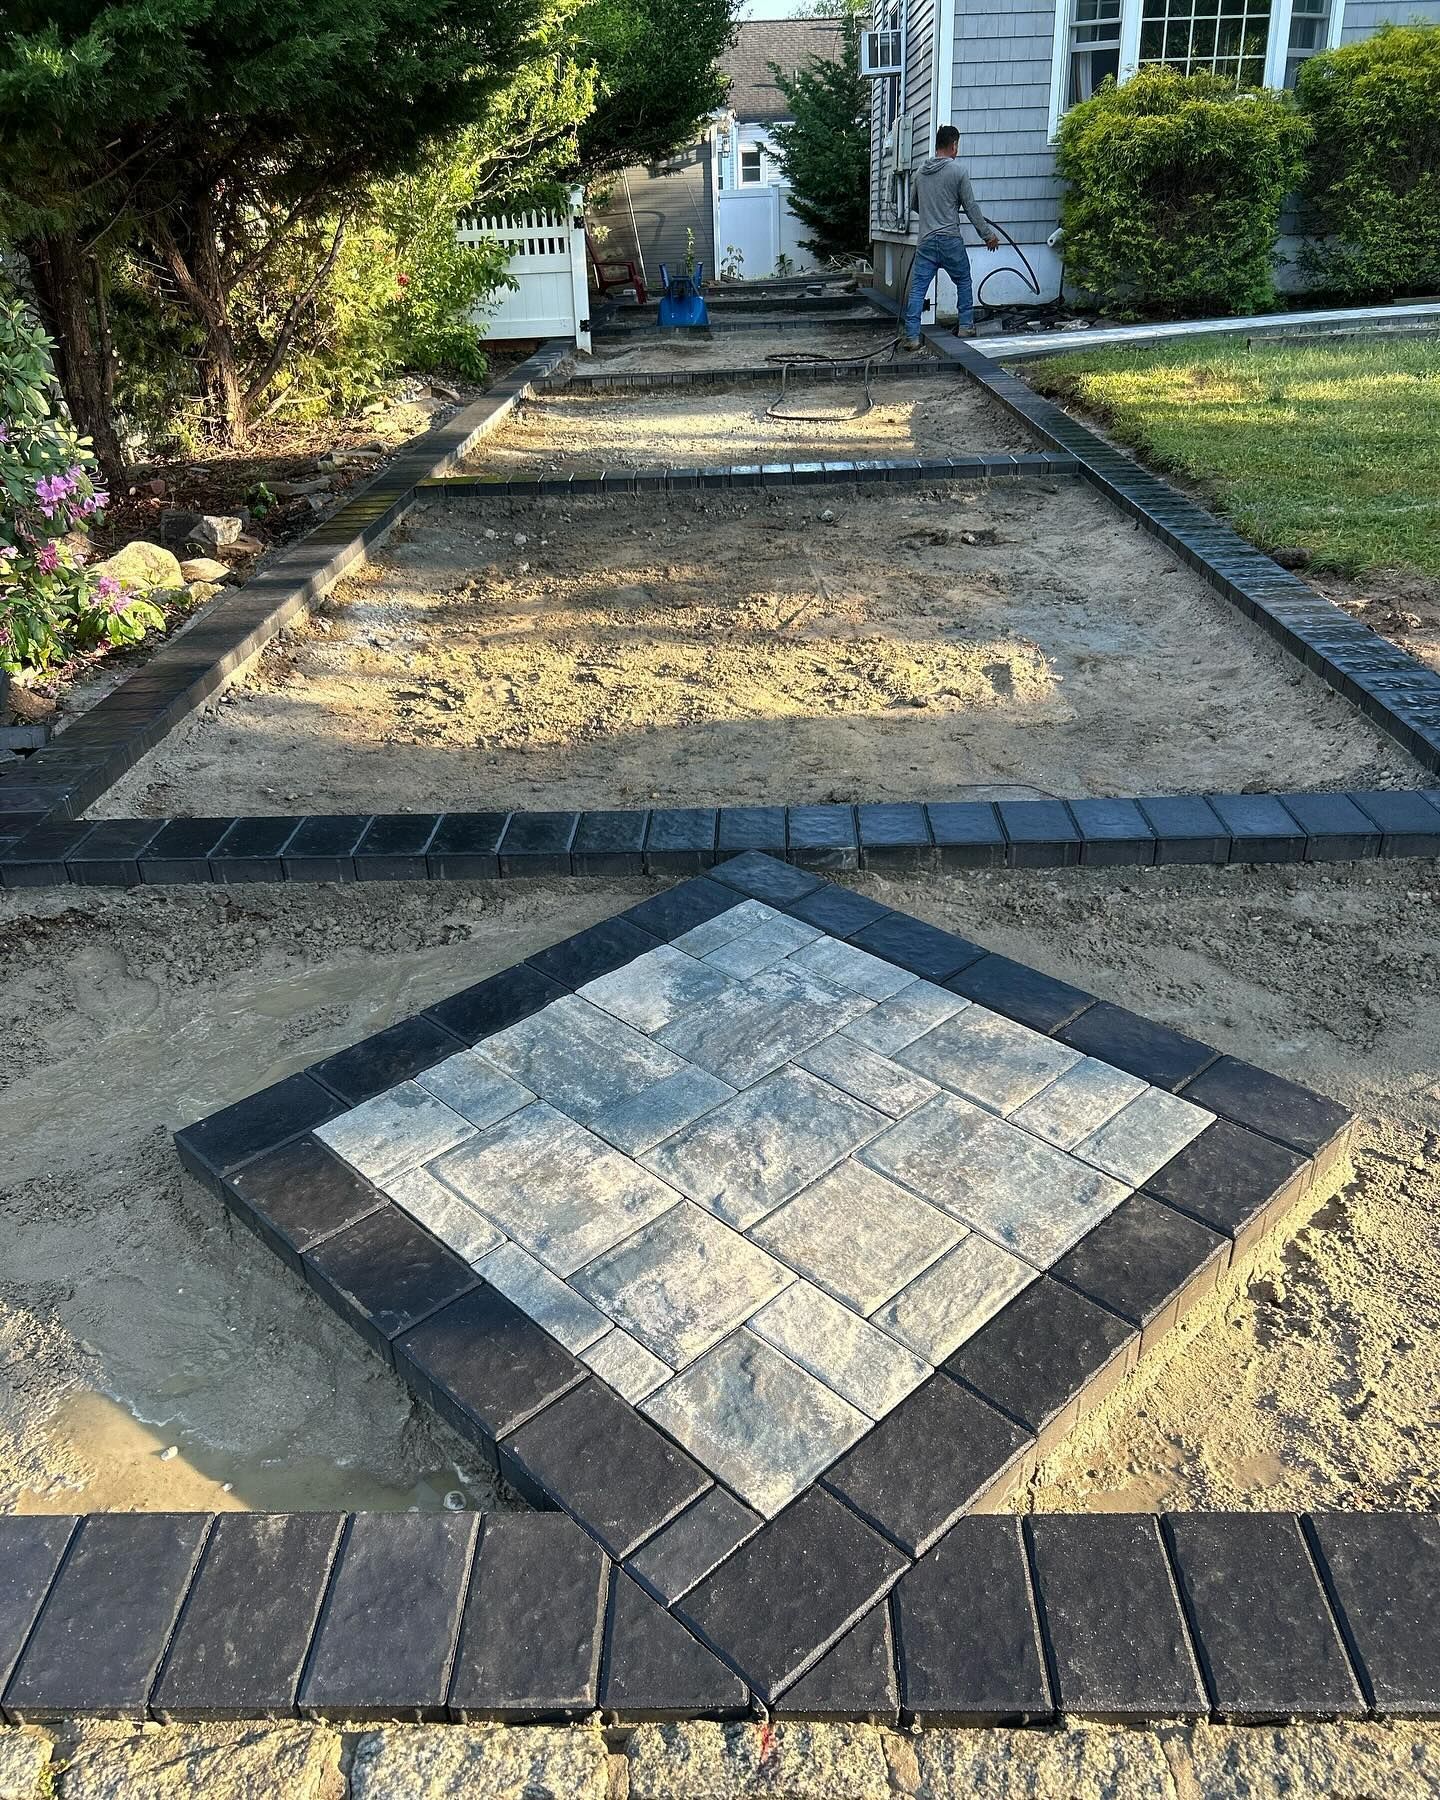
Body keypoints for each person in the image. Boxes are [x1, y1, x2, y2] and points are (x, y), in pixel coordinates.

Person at [901, 125, 1000, 351]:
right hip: (950, 239)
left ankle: (912, 337)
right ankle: (965, 326)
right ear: (953, 144)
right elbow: (971, 207)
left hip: (926, 241)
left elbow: (914, 204)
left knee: (918, 289)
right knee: (963, 280)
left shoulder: (920, 173)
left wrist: (931, 213)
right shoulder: (958, 171)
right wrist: (988, 236)